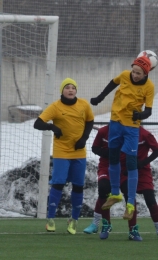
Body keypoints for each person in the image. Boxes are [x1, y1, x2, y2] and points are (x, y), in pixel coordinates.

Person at [90, 56, 154, 220]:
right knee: (113, 157)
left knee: (131, 163)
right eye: (134, 71)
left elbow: (149, 111)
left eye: (138, 73)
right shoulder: (125, 75)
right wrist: (100, 97)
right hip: (115, 123)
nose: (135, 75)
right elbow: (113, 83)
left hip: (132, 127)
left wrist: (139, 115)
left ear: (146, 73)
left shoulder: (149, 87)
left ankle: (131, 203)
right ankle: (116, 193)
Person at [34, 78, 94, 234]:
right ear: (62, 90)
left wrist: (84, 139)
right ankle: (51, 219)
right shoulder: (55, 107)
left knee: (79, 185)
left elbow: (90, 121)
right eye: (67, 87)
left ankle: (74, 220)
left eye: (73, 87)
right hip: (62, 152)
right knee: (59, 183)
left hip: (79, 152)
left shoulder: (83, 105)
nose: (70, 90)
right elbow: (37, 123)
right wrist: (52, 126)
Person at [83, 125, 158, 241]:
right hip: (110, 167)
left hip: (134, 169)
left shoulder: (141, 134)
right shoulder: (107, 131)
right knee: (103, 188)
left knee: (144, 197)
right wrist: (110, 153)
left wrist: (141, 163)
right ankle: (103, 224)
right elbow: (95, 148)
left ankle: (133, 229)